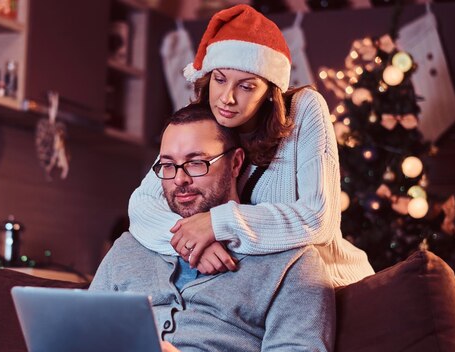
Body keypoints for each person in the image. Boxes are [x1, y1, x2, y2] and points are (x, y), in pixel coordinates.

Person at [0, 104, 335, 352]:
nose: (180, 181)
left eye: (196, 164)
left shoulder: (293, 258)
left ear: (236, 162)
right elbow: (88, 332)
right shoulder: (132, 246)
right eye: (169, 166)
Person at [128, 4, 374, 286]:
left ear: (270, 92)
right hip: (256, 289)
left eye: (246, 86)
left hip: (329, 286)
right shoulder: (207, 120)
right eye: (220, 80)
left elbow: (317, 218)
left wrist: (216, 224)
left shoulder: (304, 109)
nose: (227, 98)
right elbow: (141, 205)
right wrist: (193, 243)